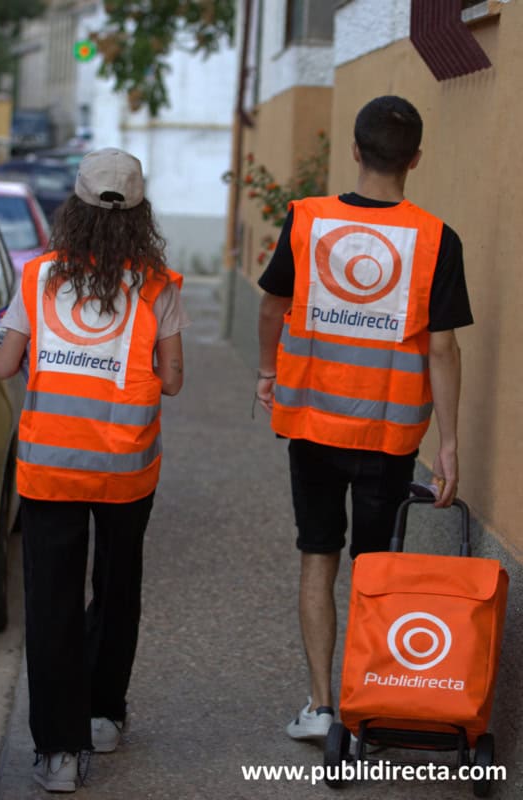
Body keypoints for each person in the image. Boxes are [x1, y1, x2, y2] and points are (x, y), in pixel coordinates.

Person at [256, 96, 473, 742]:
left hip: (313, 428)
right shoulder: (437, 239)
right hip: (389, 436)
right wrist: (450, 444)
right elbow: (442, 348)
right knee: (376, 571)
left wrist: (267, 372)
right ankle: (363, 708)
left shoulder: (306, 220)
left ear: (355, 150)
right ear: (416, 159)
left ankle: (321, 708)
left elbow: (271, 306)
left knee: (317, 555)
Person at [0, 147, 189, 792]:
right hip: (125, 468)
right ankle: (104, 715)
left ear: (72, 208)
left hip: (50, 464)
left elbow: (4, 365)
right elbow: (173, 380)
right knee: (116, 584)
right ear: (140, 213)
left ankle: (58, 752)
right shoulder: (157, 284)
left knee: (50, 600)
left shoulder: (38, 277)